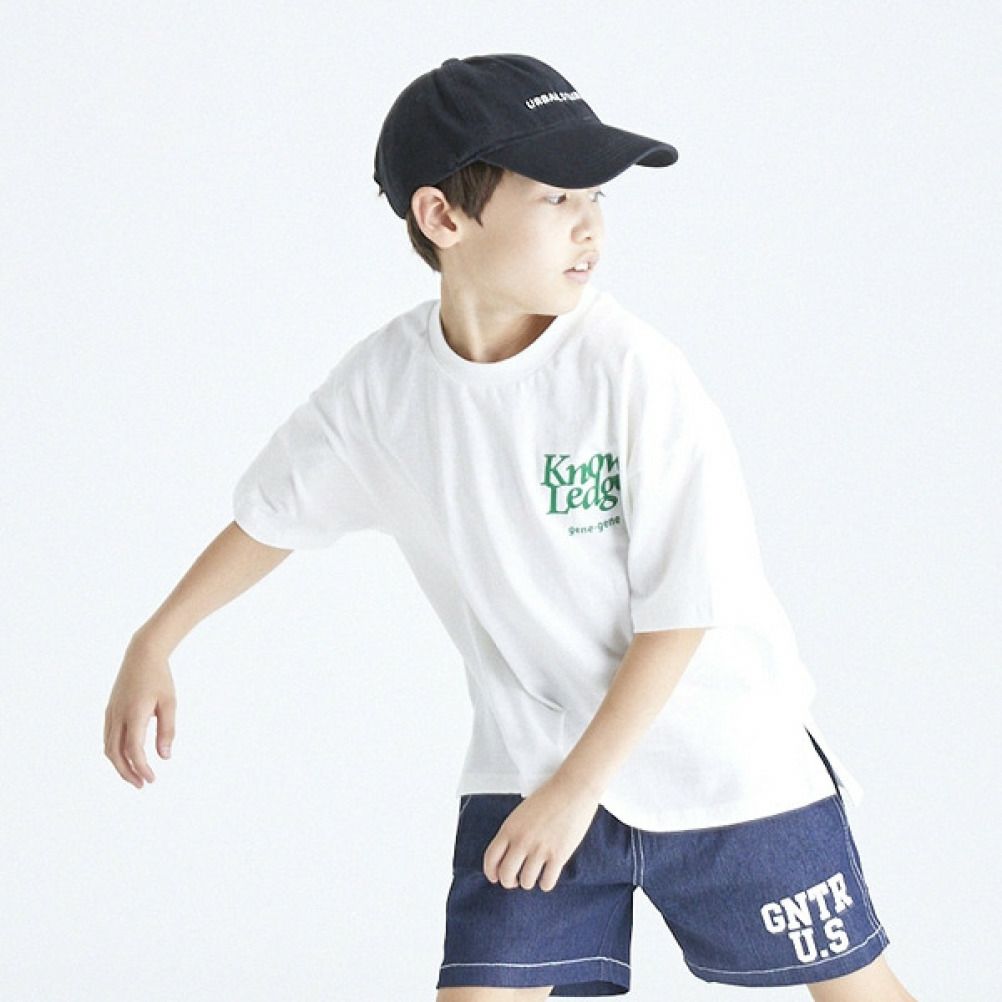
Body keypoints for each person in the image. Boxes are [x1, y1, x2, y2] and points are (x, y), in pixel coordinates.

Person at [103, 53, 918, 1001]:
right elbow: (272, 515)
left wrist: (580, 791)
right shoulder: (385, 389)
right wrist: (155, 639)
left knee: (856, 990)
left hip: (725, 765)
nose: (590, 225)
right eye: (556, 196)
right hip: (531, 769)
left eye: (596, 195)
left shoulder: (632, 373)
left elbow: (684, 611)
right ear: (442, 217)